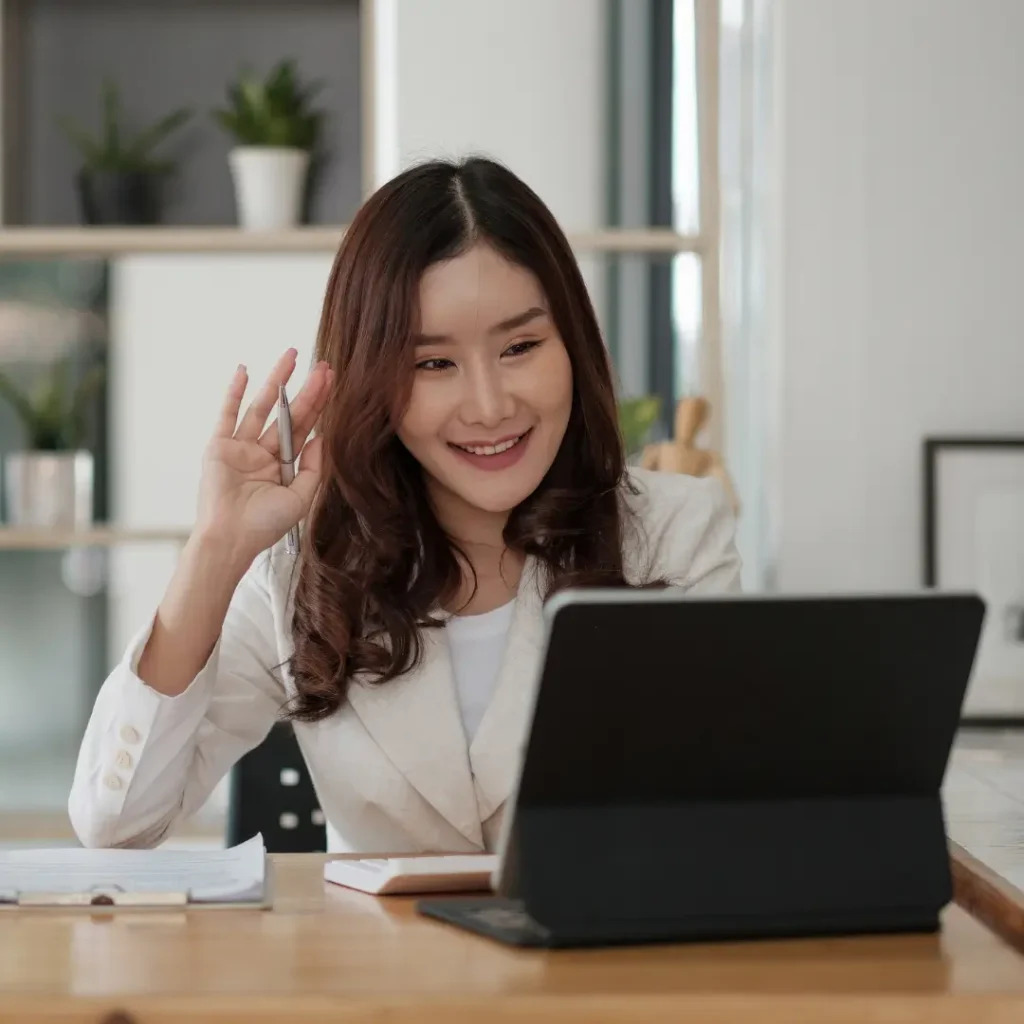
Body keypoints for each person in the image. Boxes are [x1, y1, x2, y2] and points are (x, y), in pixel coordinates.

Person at [69, 156, 742, 854]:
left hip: (604, 960)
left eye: (520, 347)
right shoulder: (304, 569)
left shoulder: (674, 532)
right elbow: (117, 825)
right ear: (373, 380)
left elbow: (725, 815)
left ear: (572, 343)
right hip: (383, 966)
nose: (489, 406)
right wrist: (215, 551)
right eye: (433, 364)